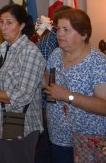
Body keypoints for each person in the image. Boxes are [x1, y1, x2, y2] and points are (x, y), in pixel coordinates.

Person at [0, 3, 45, 163]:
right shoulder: (3, 48)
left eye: (9, 22)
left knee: (15, 158)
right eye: (1, 22)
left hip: (17, 119)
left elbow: (23, 95)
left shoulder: (30, 52)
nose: (3, 27)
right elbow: (2, 81)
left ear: (22, 25)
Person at [42, 8, 106, 163]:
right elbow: (49, 82)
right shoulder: (56, 55)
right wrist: (41, 80)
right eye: (58, 29)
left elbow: (104, 106)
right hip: (58, 137)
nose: (59, 34)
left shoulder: (98, 62)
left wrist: (67, 96)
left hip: (89, 141)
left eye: (66, 30)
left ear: (84, 34)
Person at [35, 4, 72, 163]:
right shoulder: (52, 45)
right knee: (47, 150)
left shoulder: (95, 59)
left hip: (62, 113)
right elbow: (51, 81)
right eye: (60, 28)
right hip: (49, 105)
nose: (62, 33)